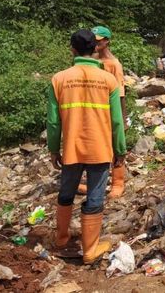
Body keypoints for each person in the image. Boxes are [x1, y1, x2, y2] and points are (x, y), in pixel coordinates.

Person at [47, 29, 127, 263]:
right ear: (94, 49)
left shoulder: (59, 79)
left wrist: (54, 149)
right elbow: (116, 121)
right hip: (100, 148)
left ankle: (61, 239)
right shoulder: (108, 80)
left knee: (66, 193)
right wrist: (120, 150)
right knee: (95, 197)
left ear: (72, 49)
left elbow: (53, 121)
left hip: (71, 148)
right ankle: (90, 250)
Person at [76, 26, 127, 199]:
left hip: (108, 108)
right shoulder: (91, 60)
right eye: (94, 41)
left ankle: (118, 182)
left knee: (114, 144)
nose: (96, 44)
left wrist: (122, 117)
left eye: (99, 41)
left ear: (107, 42)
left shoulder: (113, 65)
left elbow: (120, 94)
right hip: (92, 108)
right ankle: (94, 182)